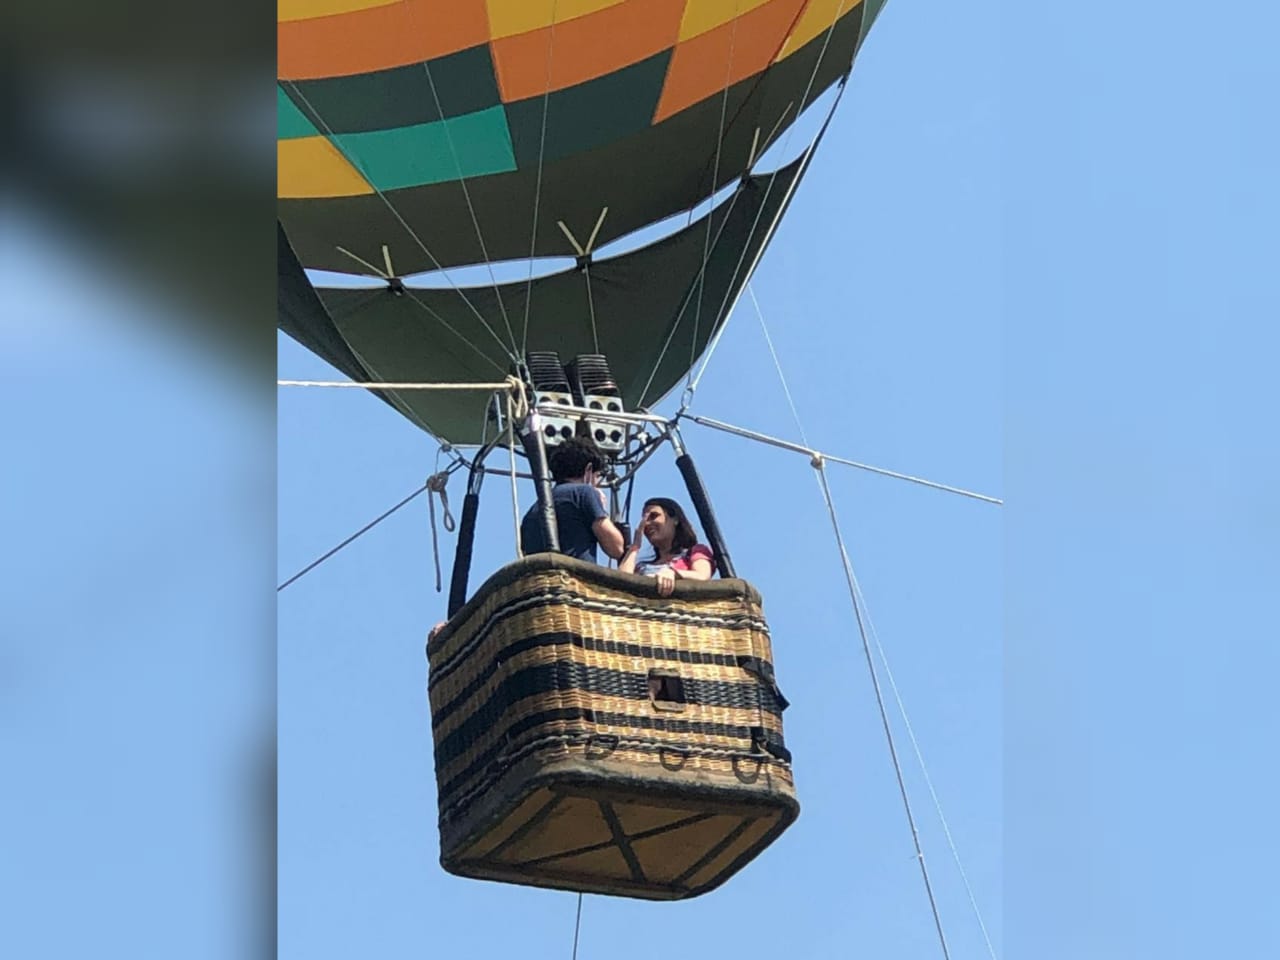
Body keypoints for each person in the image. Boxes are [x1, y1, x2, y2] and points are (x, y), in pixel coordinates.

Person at [519, 437, 625, 563]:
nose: (597, 483)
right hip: (575, 579)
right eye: (597, 476)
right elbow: (616, 548)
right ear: (588, 469)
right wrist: (600, 509)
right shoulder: (584, 493)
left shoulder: (532, 511)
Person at [619, 497, 715, 596]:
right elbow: (623, 582)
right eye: (644, 519)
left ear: (675, 520)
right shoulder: (642, 567)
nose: (647, 523)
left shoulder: (695, 552)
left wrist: (673, 573)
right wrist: (634, 547)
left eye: (654, 516)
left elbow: (702, 576)